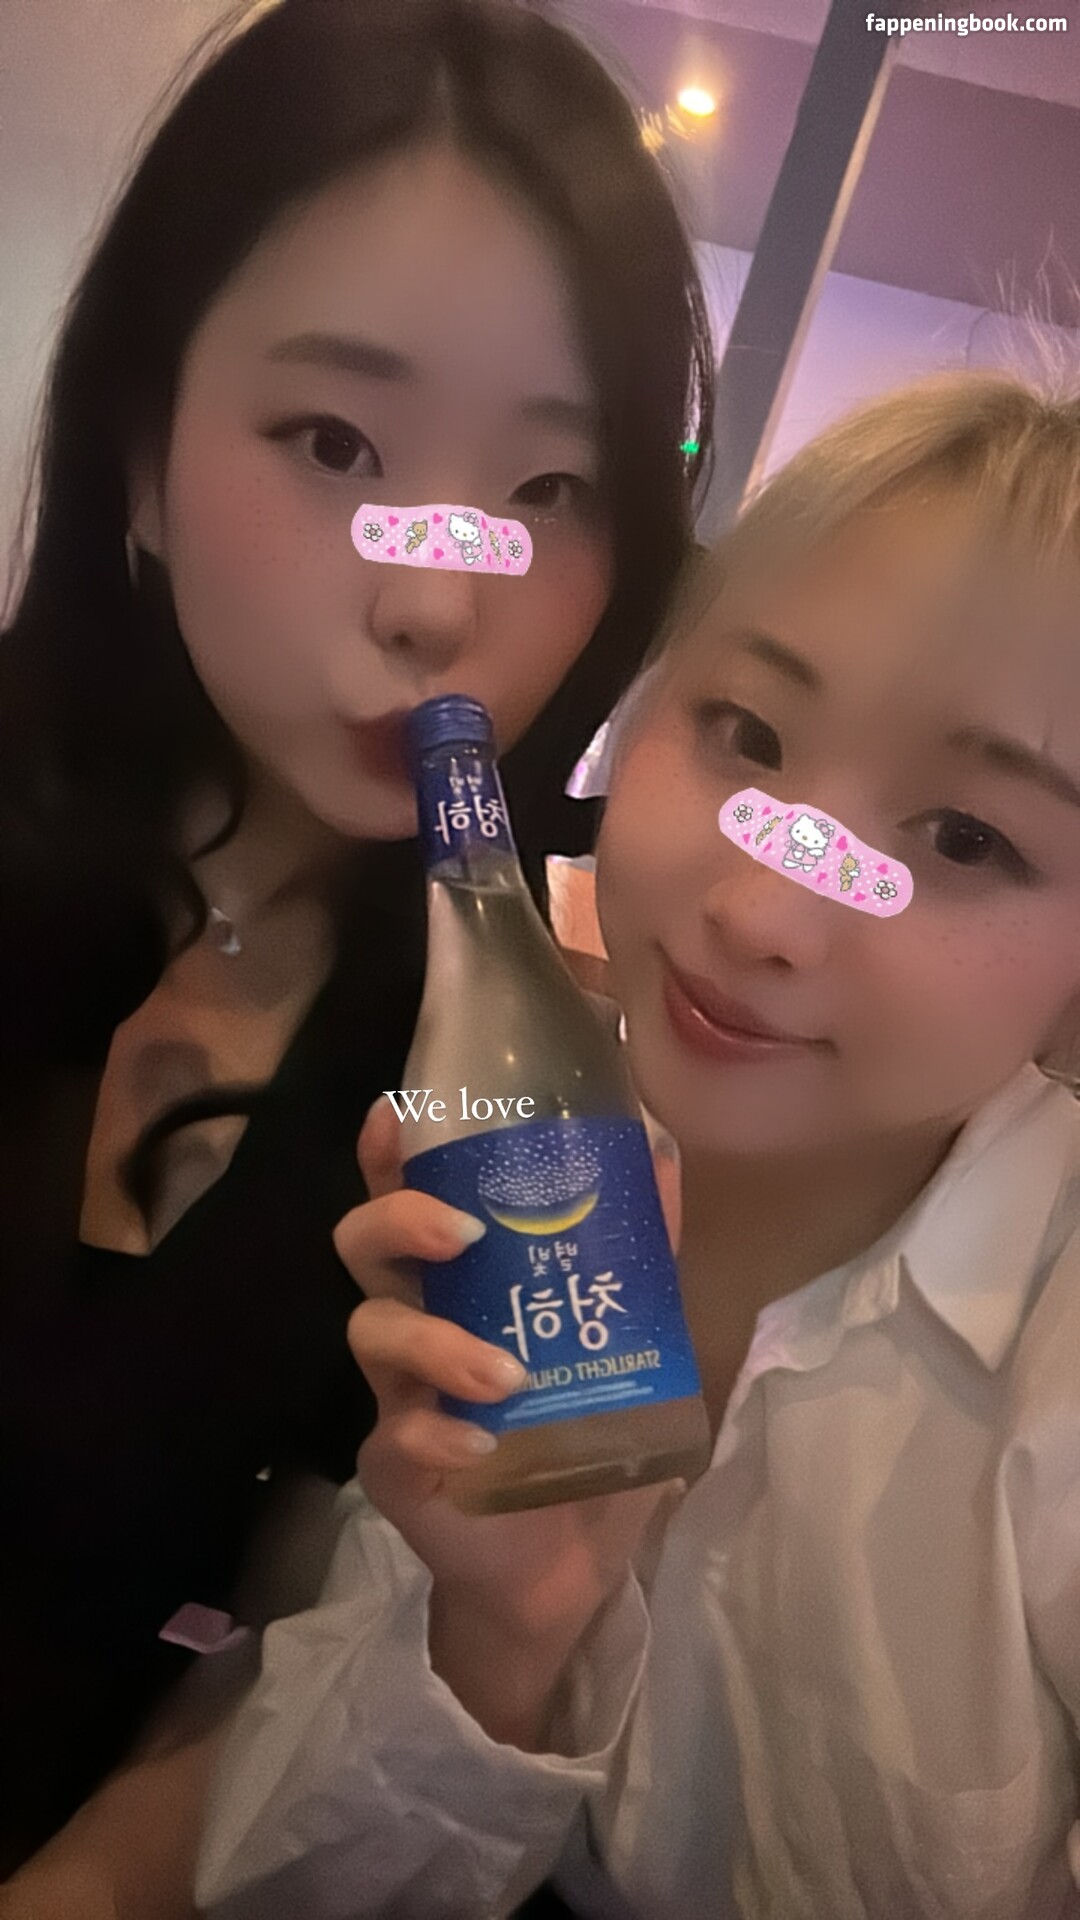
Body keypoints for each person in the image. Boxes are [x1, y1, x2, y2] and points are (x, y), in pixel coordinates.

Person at [198, 372, 1080, 1920]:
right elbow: (288, 1888)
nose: (761, 908)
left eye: (965, 838)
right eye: (748, 731)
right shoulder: (531, 1176)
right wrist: (505, 1635)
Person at [0, 0, 713, 1894]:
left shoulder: (512, 1094)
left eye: (547, 494)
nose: (433, 603)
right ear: (138, 453)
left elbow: (254, 1693)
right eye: (335, 441)